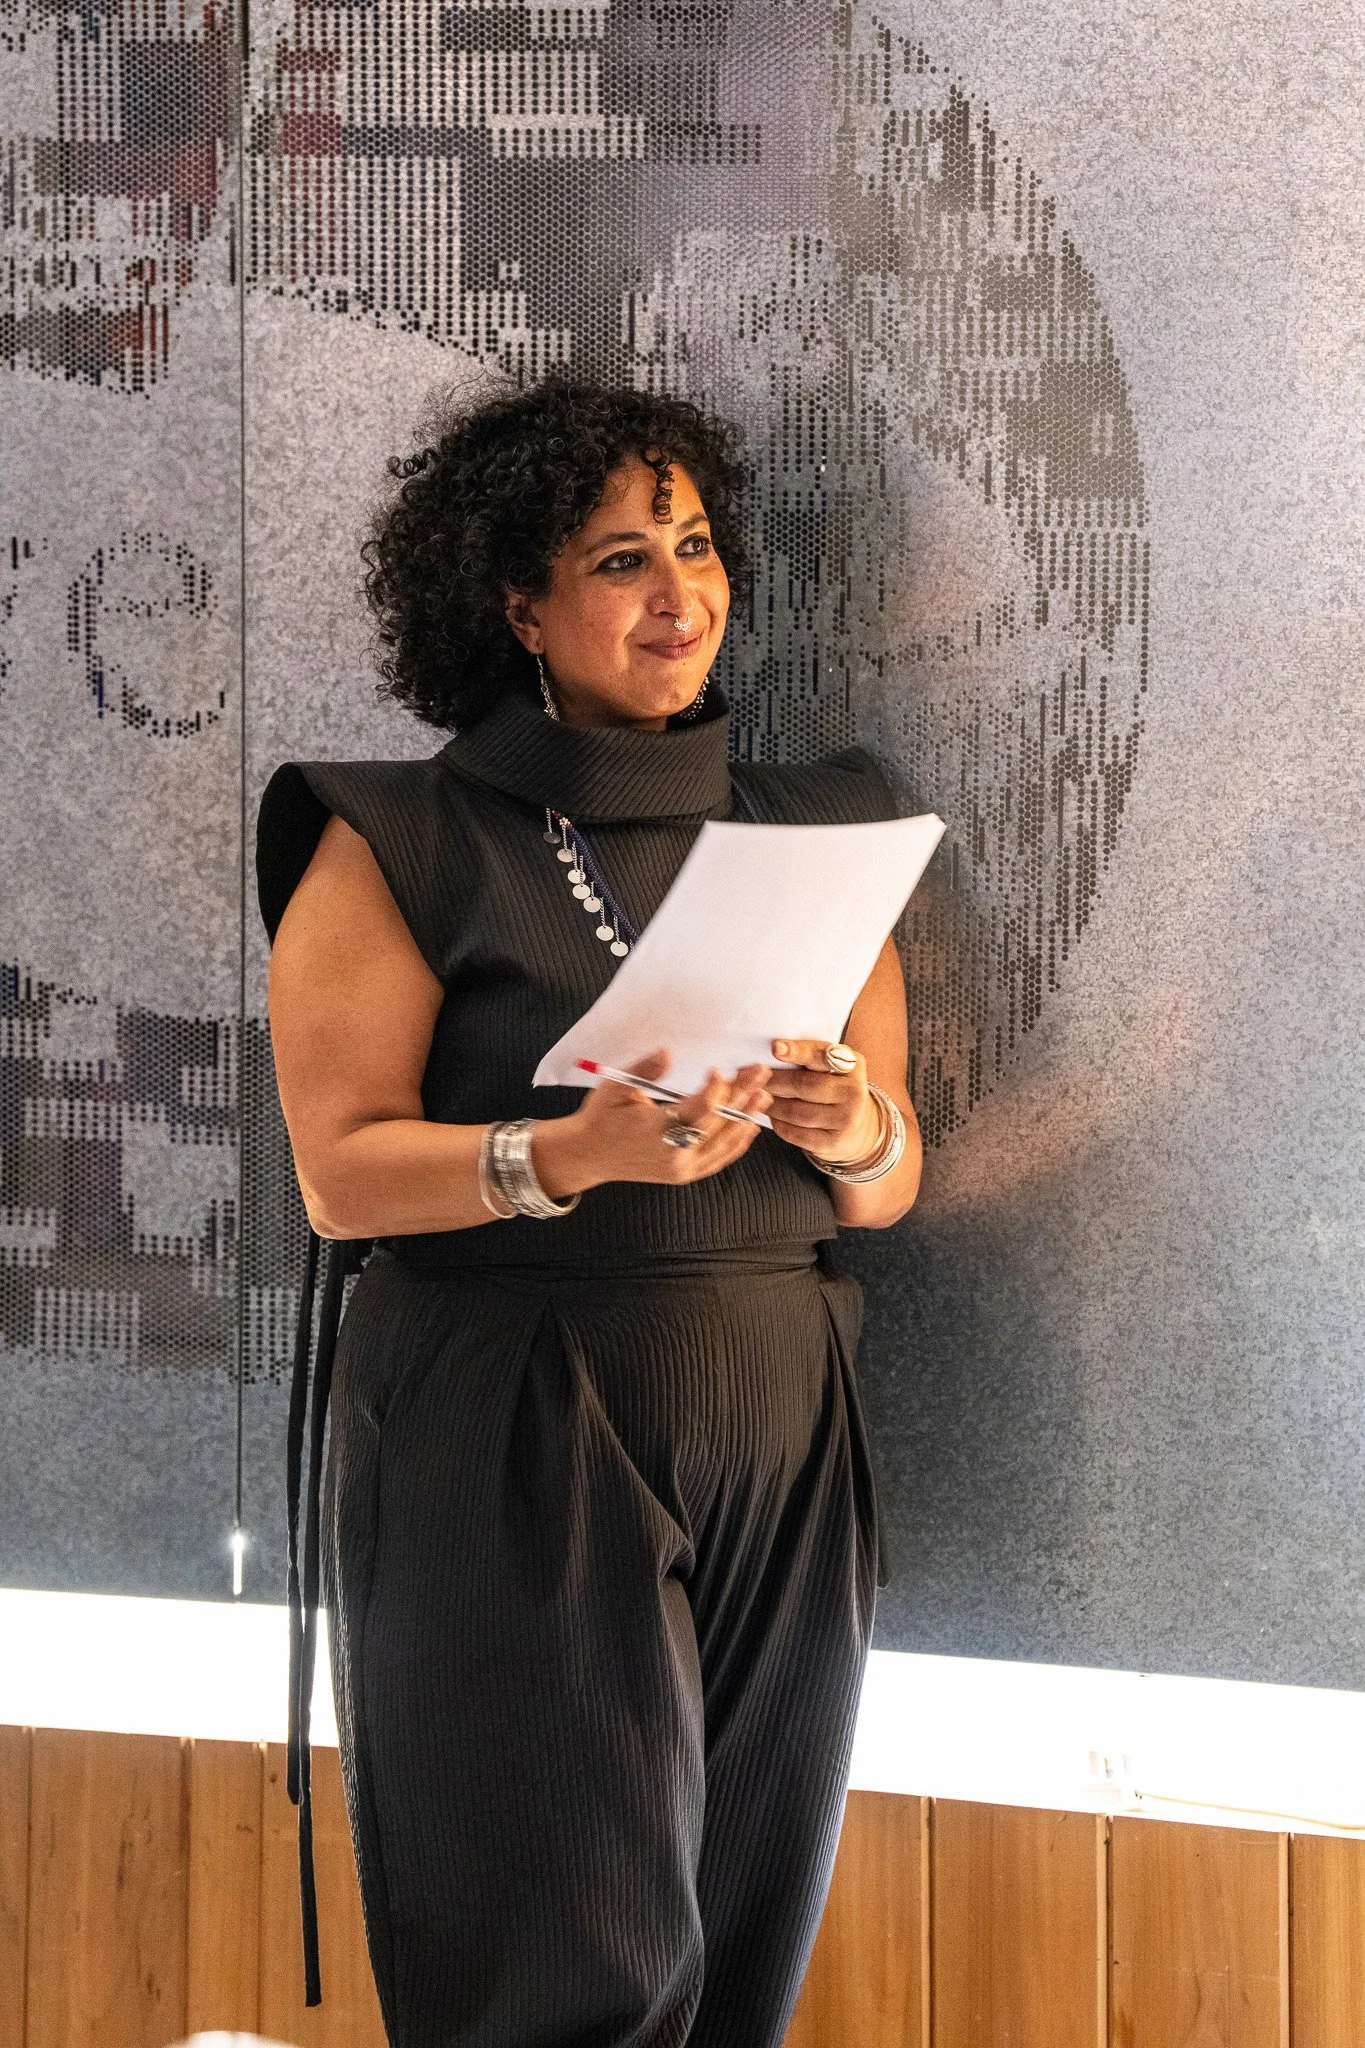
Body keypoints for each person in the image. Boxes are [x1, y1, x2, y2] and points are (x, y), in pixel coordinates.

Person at [256, 377, 922, 2048]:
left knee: (742, 1943)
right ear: (520, 605)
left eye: (695, 546)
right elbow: (340, 1169)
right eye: (623, 559)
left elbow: (895, 1185)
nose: (680, 592)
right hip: (516, 1419)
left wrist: (857, 1120)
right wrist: (561, 1157)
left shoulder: (823, 829)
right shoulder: (399, 836)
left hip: (781, 1405)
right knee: (564, 1966)